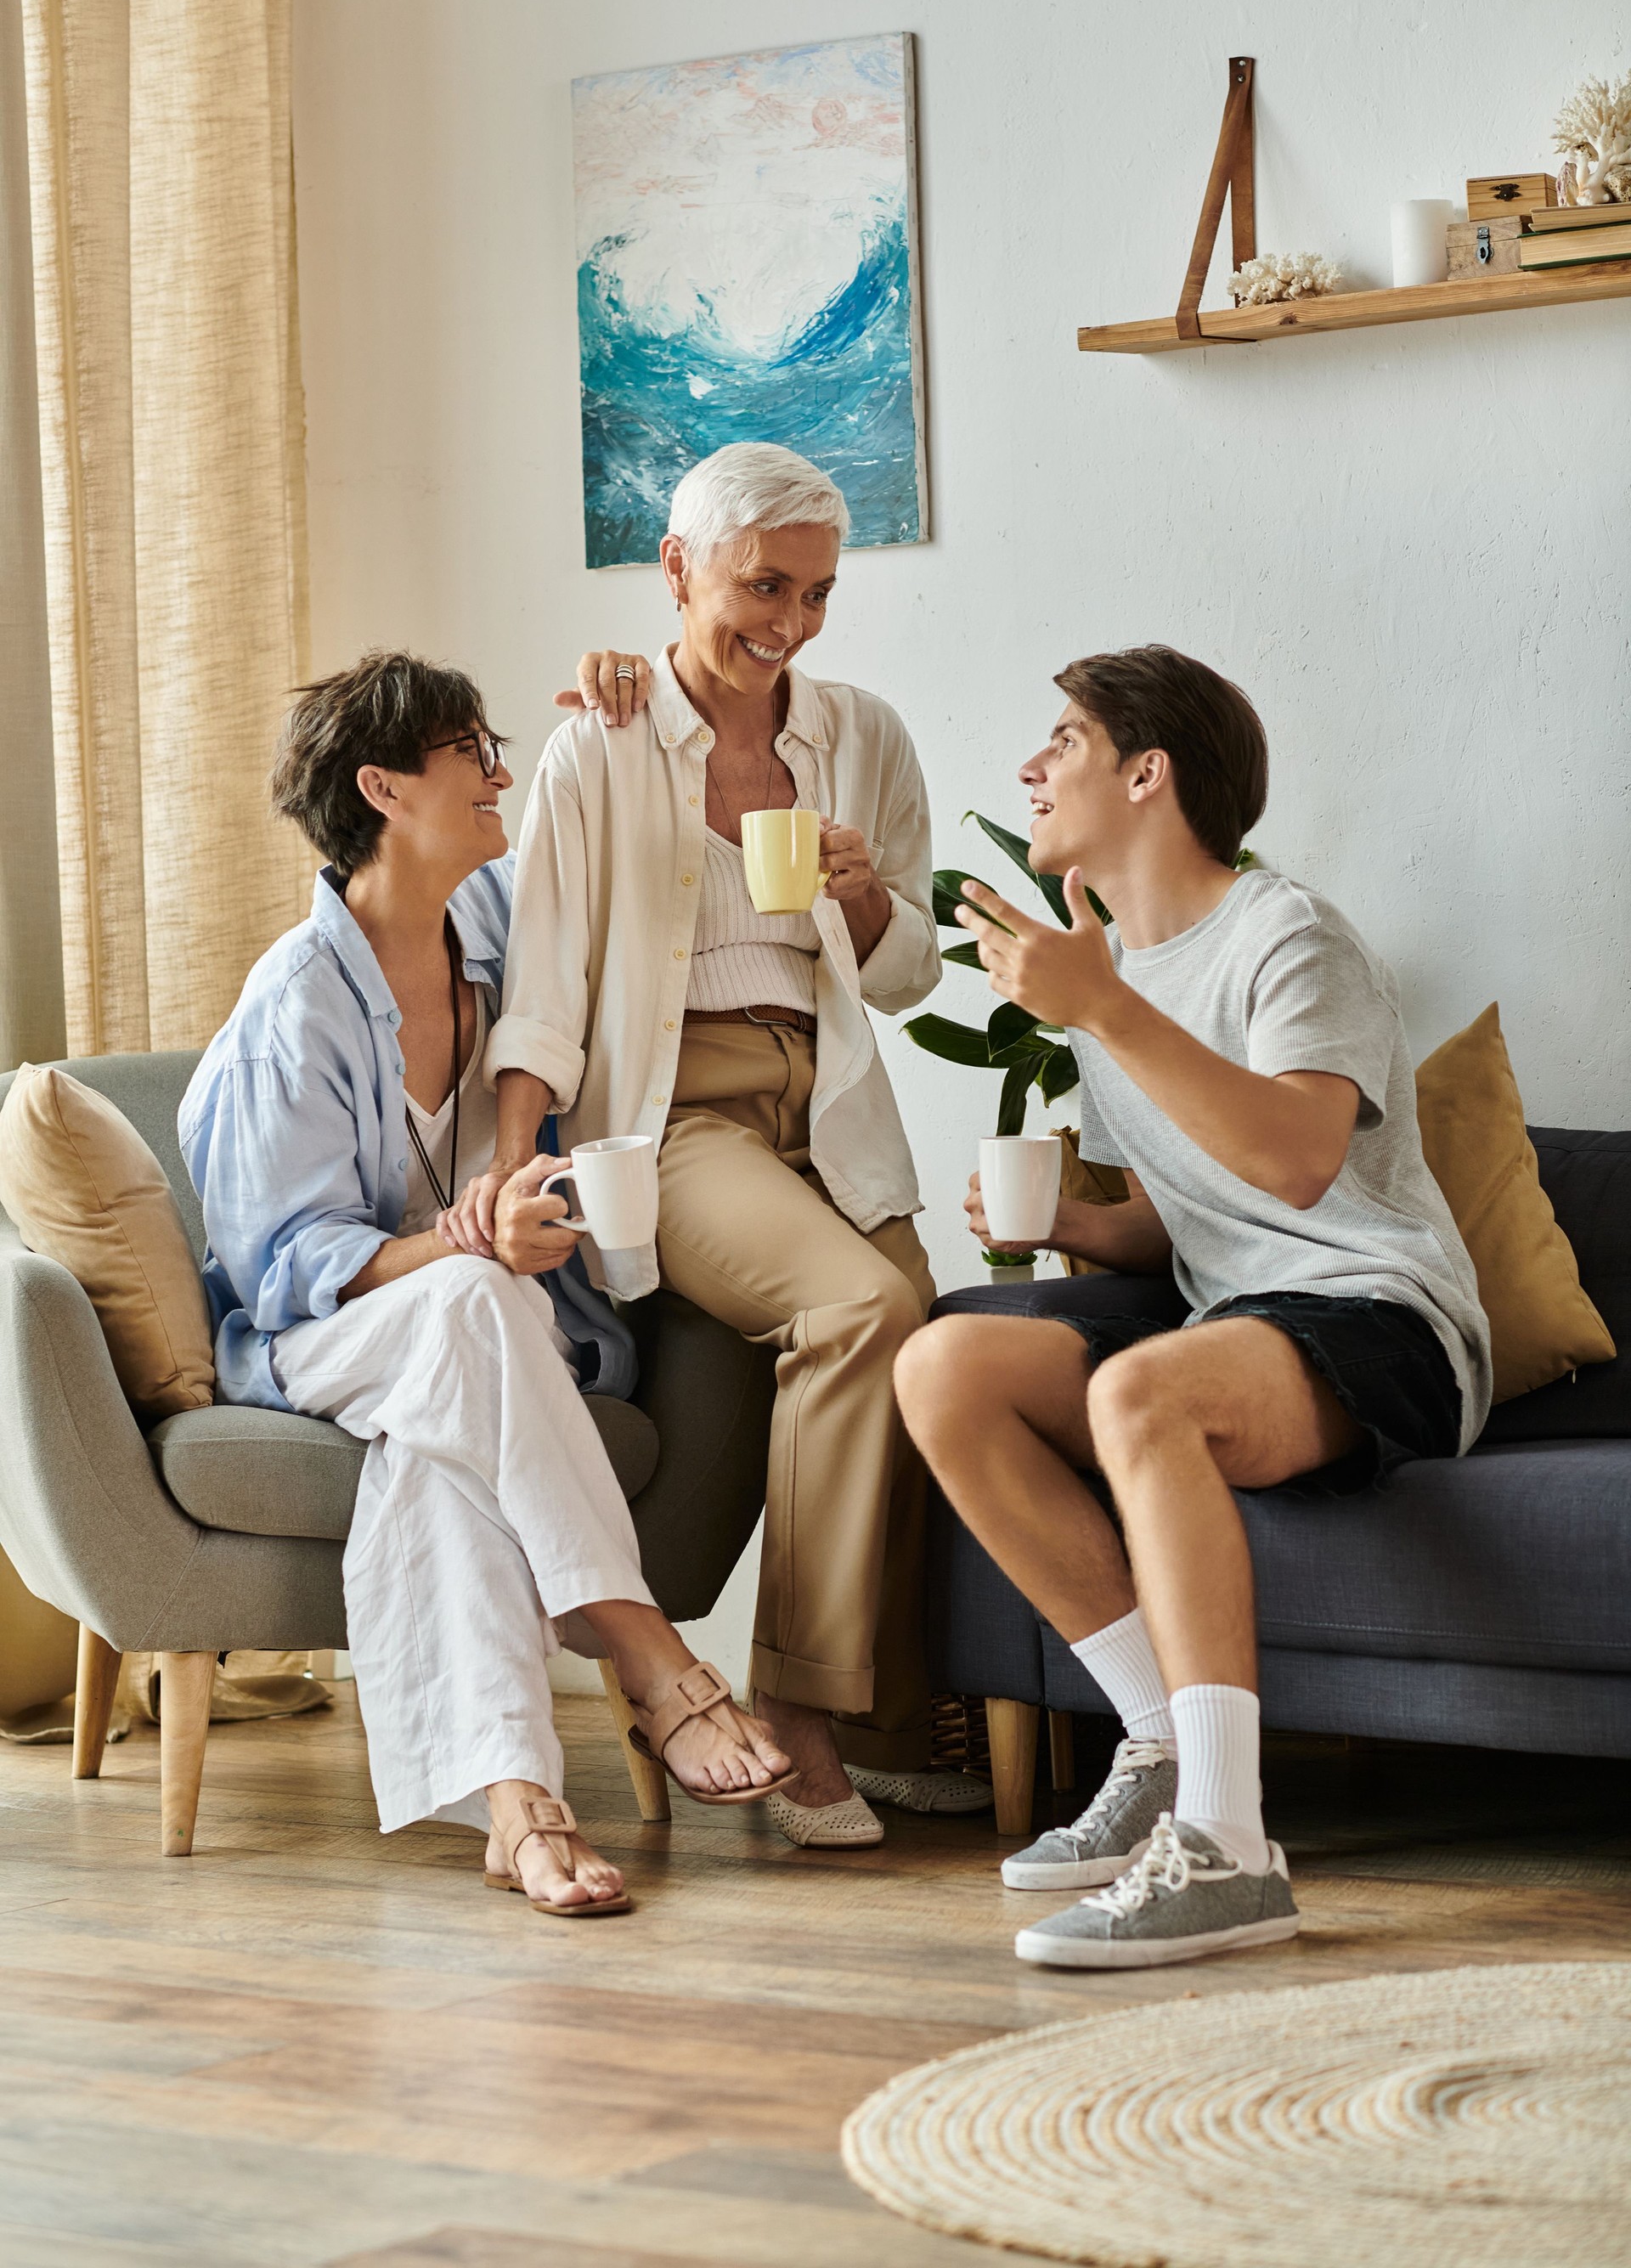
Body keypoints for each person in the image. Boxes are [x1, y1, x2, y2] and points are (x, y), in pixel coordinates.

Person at [894, 645, 1489, 1966]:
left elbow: (1295, 1158)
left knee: (1138, 1390)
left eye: (1063, 742)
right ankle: (1159, 1743)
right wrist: (1077, 1228)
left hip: (1384, 1318)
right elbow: (1195, 1209)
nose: (1030, 769)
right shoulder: (1118, 982)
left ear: (1146, 773)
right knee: (944, 1368)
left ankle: (1230, 1847)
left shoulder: (1289, 935)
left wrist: (1102, 1008)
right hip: (1247, 1322)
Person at [181, 652, 793, 1917]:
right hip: (328, 1334)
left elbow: (622, 854)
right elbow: (286, 1266)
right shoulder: (291, 1009)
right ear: (385, 789)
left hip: (486, 1335)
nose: (501, 774)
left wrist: (628, 704)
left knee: (441, 1458)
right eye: (473, 753)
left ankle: (519, 1808)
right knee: (467, 1304)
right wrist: (464, 1244)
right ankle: (640, 1642)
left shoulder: (500, 925)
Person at [448, 443, 991, 1846]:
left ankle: (895, 1719)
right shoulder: (603, 741)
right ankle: (801, 1710)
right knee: (857, 1302)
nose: (792, 624)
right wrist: (508, 1174)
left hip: (827, 1100)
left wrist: (869, 905)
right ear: (676, 570)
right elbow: (546, 988)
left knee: (927, 1336)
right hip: (671, 1113)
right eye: (763, 586)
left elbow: (906, 974)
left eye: (816, 593)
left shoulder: (862, 733)